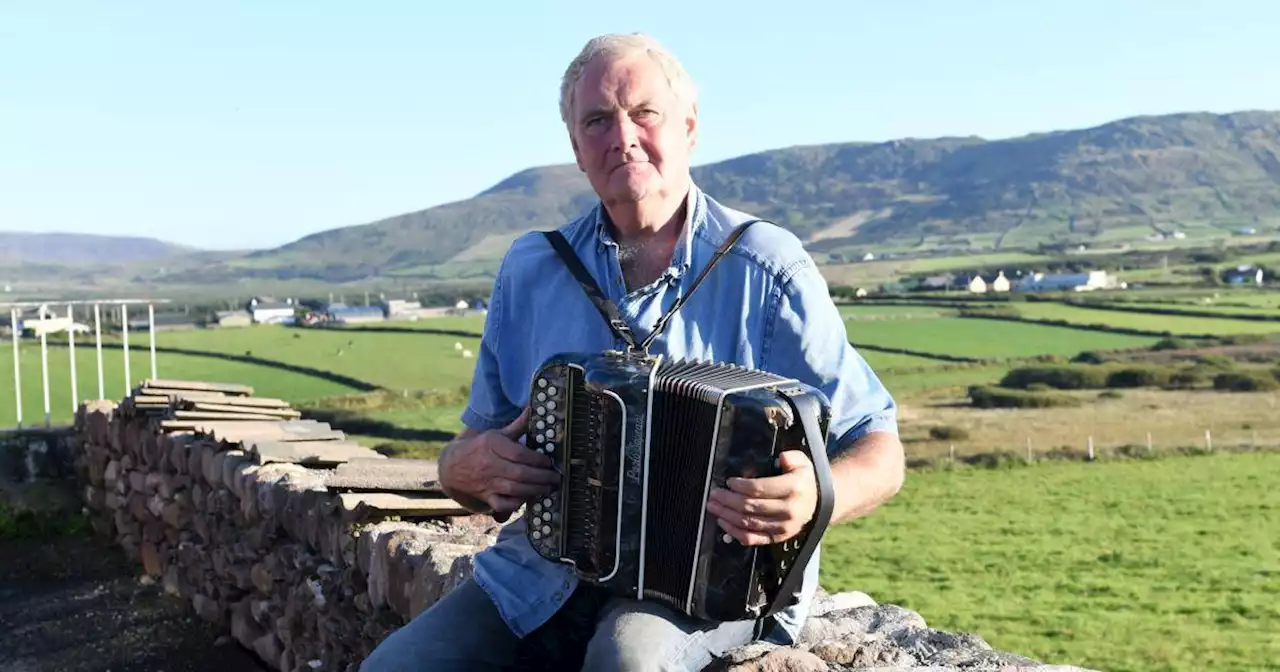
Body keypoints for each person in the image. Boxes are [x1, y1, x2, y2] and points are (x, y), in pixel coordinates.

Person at [360, 32, 904, 672]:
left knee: (627, 662)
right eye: (597, 120)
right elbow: (475, 457)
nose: (622, 135)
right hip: (544, 573)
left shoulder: (766, 265)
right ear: (576, 149)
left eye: (644, 112)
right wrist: (461, 469)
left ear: (689, 127)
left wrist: (816, 495)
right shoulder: (532, 268)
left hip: (709, 586)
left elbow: (880, 446)